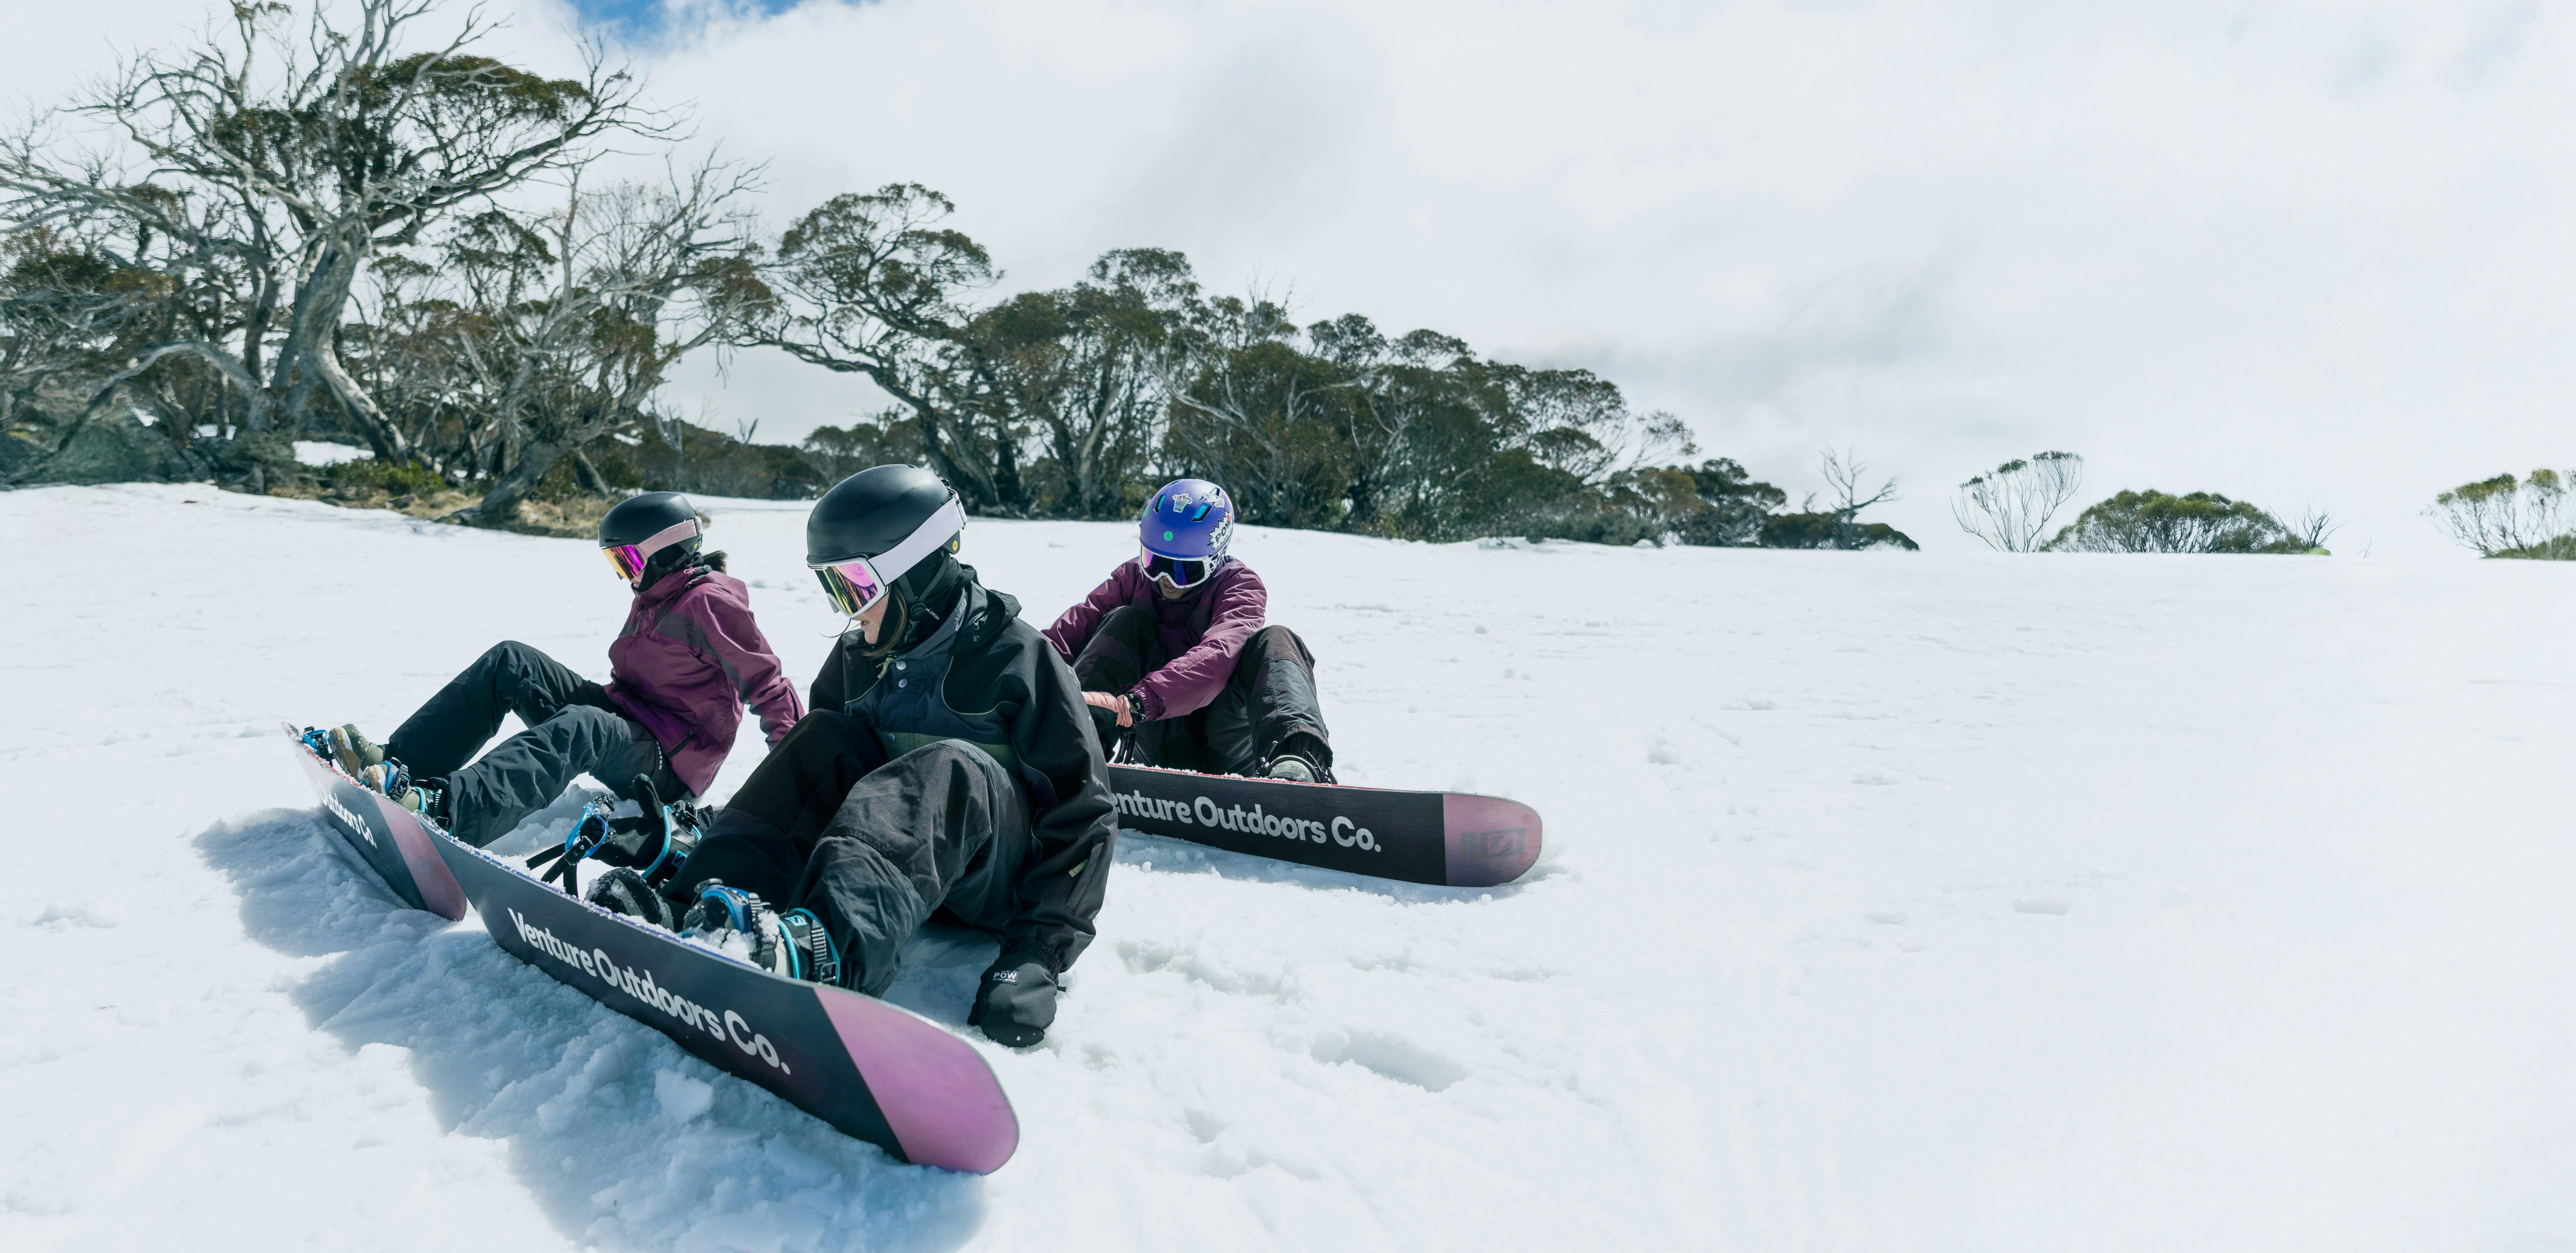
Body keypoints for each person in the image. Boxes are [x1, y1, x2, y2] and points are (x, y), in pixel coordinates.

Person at [581, 465, 1117, 1049]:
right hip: (891, 886)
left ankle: (825, 955)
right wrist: (700, 835)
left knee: (950, 765)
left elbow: (1083, 813)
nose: (849, 610)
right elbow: (808, 792)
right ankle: (693, 906)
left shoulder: (1019, 657)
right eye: (833, 587)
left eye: (855, 587)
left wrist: (1037, 952)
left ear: (914, 569)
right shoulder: (860, 656)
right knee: (822, 734)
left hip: (990, 887)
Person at [303, 492, 804, 849]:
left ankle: (450, 812)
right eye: (617, 563)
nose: (625, 576)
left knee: (583, 726)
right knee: (511, 660)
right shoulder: (657, 594)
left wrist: (795, 775)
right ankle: (403, 765)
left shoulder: (709, 602)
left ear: (666, 552)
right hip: (630, 722)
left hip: (667, 763)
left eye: (629, 561)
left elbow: (768, 683)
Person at [1042, 477, 1334, 782]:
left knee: (1278, 641)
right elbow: (1071, 632)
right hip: (1158, 740)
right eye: (1155, 562)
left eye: (1184, 570)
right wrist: (1017, 668)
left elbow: (1219, 656)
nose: (1165, 579)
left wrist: (1142, 701)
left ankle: (1297, 765)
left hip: (1226, 743)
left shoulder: (1241, 587)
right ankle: (1070, 750)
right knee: (1124, 621)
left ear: (1215, 559)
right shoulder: (1132, 579)